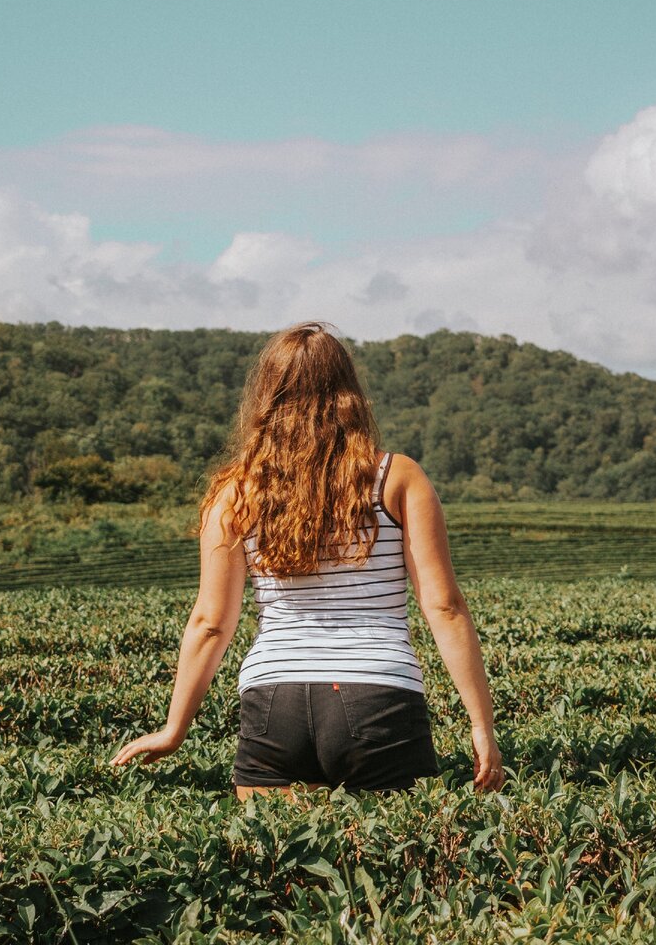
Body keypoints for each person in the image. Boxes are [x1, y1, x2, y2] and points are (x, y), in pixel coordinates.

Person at [111, 321, 503, 796]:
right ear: (350, 391)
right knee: (394, 863)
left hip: (276, 699)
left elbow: (210, 623)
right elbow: (444, 606)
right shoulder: (397, 477)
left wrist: (174, 729)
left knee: (280, 864)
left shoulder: (237, 491)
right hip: (379, 691)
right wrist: (481, 725)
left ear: (267, 395)